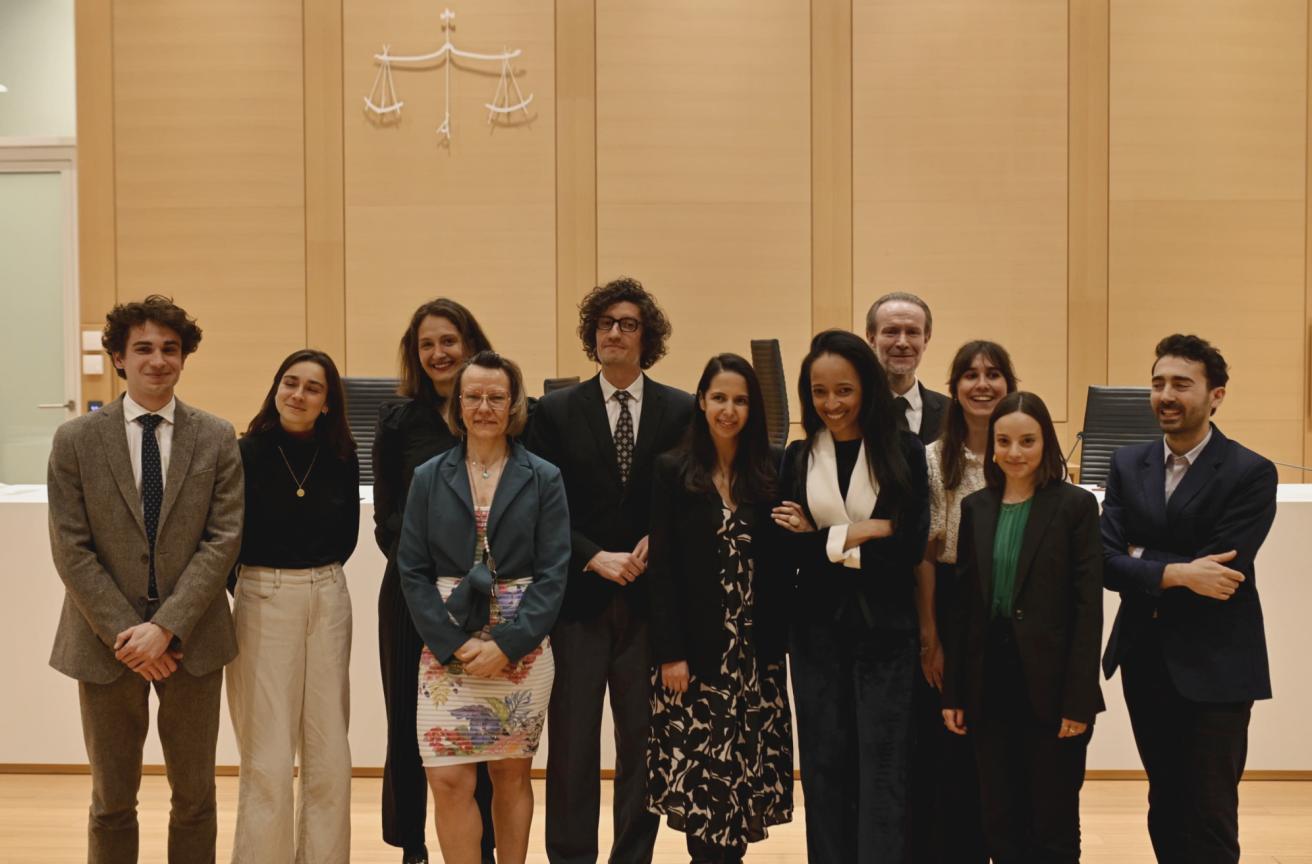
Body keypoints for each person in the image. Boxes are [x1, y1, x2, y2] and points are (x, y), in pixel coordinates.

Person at [47, 295, 243, 863]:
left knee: (195, 798)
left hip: (193, 643)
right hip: (103, 641)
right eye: (144, 349)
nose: (158, 360)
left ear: (184, 358)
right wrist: (133, 635)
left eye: (170, 349)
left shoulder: (215, 436)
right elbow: (71, 549)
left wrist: (167, 629)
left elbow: (223, 539)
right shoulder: (76, 440)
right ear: (118, 359)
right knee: (111, 800)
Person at [526, 276, 694, 864]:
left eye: (628, 324)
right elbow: (543, 504)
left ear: (646, 338)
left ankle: (632, 855)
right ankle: (571, 856)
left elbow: (690, 494)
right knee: (571, 744)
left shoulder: (682, 409)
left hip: (651, 600)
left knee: (642, 746)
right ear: (592, 336)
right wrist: (592, 554)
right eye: (605, 324)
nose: (615, 333)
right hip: (578, 597)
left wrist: (659, 537)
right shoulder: (553, 411)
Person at [1101, 334, 1276, 864]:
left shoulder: (1250, 471)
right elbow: (1107, 562)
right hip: (1145, 658)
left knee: (1211, 808)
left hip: (1217, 664)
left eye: (1181, 383)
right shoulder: (1129, 464)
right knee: (1165, 799)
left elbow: (1223, 569)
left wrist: (1143, 557)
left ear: (1216, 395)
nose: (1166, 395)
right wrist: (1178, 569)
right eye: (1157, 384)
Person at [398, 350, 569, 864]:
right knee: (447, 779)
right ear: (458, 403)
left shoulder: (544, 477)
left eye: (497, 397)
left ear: (513, 403)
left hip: (522, 645)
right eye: (473, 396)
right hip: (447, 641)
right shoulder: (429, 475)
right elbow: (411, 570)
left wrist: (509, 643)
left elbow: (554, 572)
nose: (484, 407)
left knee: (510, 773)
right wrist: (452, 642)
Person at [771, 329, 929, 862]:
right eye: (820, 392)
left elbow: (907, 545)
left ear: (866, 388)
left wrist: (819, 539)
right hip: (815, 635)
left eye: (844, 390)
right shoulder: (796, 458)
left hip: (886, 633)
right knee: (824, 768)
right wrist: (862, 531)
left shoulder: (902, 449)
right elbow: (787, 554)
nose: (832, 404)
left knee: (884, 768)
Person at [942, 391, 1104, 864]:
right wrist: (954, 691)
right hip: (990, 681)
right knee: (1000, 817)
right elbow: (964, 609)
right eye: (1004, 441)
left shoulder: (1074, 506)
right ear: (991, 446)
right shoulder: (977, 507)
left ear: (1046, 443)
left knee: (1051, 821)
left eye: (1027, 441)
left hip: (1052, 689)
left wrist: (1078, 698)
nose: (1015, 452)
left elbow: (1086, 607)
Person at [646, 354, 794, 863]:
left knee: (743, 791)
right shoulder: (672, 470)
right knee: (702, 793)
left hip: (756, 665)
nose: (728, 410)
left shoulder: (775, 468)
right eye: (719, 398)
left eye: (740, 400)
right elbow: (661, 571)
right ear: (701, 402)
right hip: (695, 663)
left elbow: (788, 561)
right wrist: (670, 653)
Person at [372, 298, 497, 864]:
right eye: (427, 344)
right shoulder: (398, 421)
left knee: (482, 723)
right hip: (410, 594)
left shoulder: (501, 414)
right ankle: (412, 844)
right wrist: (430, 574)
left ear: (471, 345)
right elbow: (387, 521)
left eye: (449, 340)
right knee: (408, 721)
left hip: (488, 594)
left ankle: (483, 842)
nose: (439, 353)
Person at [226, 348, 360, 863]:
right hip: (263, 596)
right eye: (290, 382)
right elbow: (228, 536)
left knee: (330, 755)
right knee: (268, 758)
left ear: (328, 403)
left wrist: (314, 581)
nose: (298, 395)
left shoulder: (343, 456)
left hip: (328, 595)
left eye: (313, 388)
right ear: (276, 388)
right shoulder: (245, 452)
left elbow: (345, 536)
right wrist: (261, 587)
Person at [911, 340, 1017, 863]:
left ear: (1009, 385)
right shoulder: (933, 459)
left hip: (1010, 610)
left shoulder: (1025, 449)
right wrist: (931, 637)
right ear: (953, 388)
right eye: (970, 375)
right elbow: (927, 555)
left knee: (1004, 754)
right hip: (952, 604)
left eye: (994, 374)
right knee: (953, 756)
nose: (982, 384)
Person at [866, 291, 950, 443]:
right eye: (891, 332)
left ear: (926, 339)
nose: (902, 343)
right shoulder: (854, 409)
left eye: (912, 332)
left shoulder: (951, 413)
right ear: (872, 339)